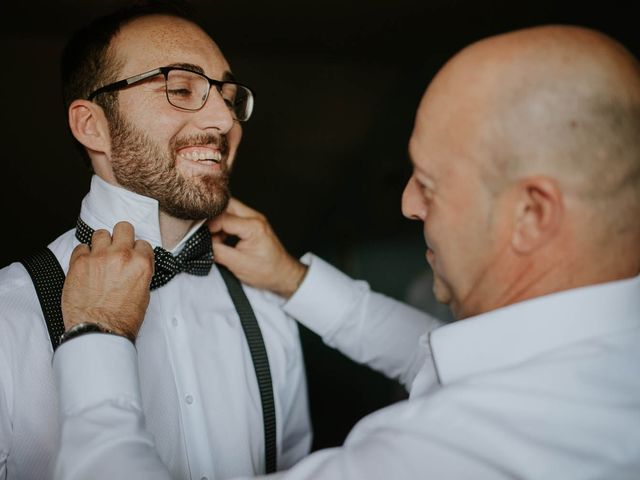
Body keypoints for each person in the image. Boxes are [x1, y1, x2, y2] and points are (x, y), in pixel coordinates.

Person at [53, 24, 640, 479]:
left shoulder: (461, 447)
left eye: (429, 183)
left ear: (532, 215)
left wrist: (95, 339)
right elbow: (431, 360)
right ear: (91, 126)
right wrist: (294, 281)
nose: (408, 205)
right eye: (180, 89)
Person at [0, 3, 313, 479]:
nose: (225, 121)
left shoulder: (269, 308)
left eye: (228, 97)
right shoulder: (7, 317)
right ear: (93, 125)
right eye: (182, 88)